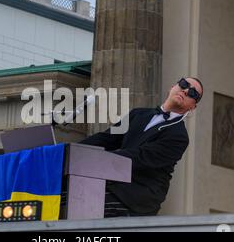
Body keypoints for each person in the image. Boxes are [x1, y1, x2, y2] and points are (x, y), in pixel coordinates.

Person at [80, 77, 203, 217]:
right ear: (172, 87)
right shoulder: (138, 114)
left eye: (193, 93)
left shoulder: (179, 137)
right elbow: (107, 138)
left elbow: (140, 158)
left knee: (80, 200)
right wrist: (70, 149)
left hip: (136, 198)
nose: (186, 90)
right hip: (112, 185)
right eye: (184, 84)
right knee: (65, 192)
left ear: (192, 107)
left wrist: (97, 158)